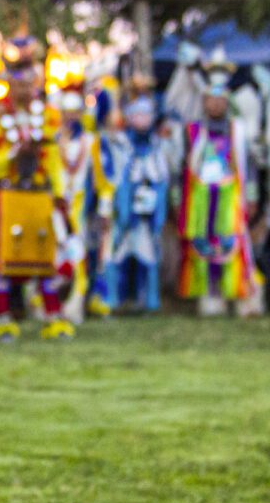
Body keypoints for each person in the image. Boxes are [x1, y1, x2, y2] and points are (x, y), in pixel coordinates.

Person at [0, 38, 73, 341]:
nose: (25, 90)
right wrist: (12, 155)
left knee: (45, 258)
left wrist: (59, 194)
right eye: (18, 84)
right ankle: (0, 317)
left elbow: (54, 159)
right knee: (4, 259)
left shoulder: (49, 117)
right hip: (8, 194)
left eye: (30, 83)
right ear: (8, 85)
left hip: (40, 195)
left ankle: (53, 316)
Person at [177, 54, 263, 316]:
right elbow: (181, 168)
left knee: (233, 245)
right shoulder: (193, 131)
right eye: (210, 100)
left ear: (228, 102)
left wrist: (251, 194)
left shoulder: (238, 130)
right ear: (203, 102)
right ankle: (209, 297)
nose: (215, 105)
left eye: (220, 100)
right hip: (200, 200)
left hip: (230, 198)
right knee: (202, 246)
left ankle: (239, 294)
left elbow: (248, 166)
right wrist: (176, 196)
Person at [102, 96, 173, 313]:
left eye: (146, 115)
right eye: (137, 115)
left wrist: (158, 208)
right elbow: (111, 175)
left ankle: (151, 300)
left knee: (150, 256)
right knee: (115, 255)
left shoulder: (158, 146)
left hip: (147, 214)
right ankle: (111, 299)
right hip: (122, 212)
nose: (141, 119)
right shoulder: (119, 144)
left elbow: (163, 177)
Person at [53, 83, 112, 321]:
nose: (69, 116)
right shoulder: (52, 139)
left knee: (78, 255)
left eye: (74, 111)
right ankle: (49, 304)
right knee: (52, 255)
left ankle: (75, 303)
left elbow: (103, 180)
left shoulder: (91, 142)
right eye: (65, 111)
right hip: (53, 207)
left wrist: (104, 209)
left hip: (79, 208)